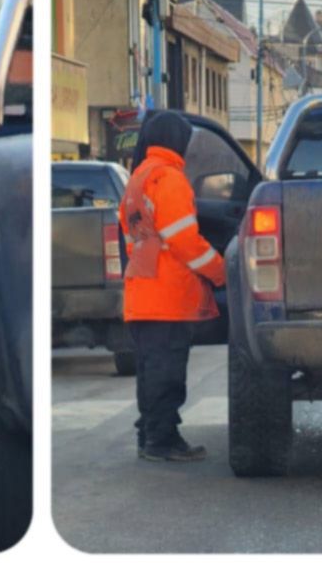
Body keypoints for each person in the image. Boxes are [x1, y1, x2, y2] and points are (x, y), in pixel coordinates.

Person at [118, 110, 226, 462]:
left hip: (142, 293)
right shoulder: (169, 179)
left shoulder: (139, 178)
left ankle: (150, 434)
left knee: (151, 371)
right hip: (166, 296)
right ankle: (161, 440)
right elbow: (184, 241)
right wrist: (223, 271)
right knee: (166, 374)